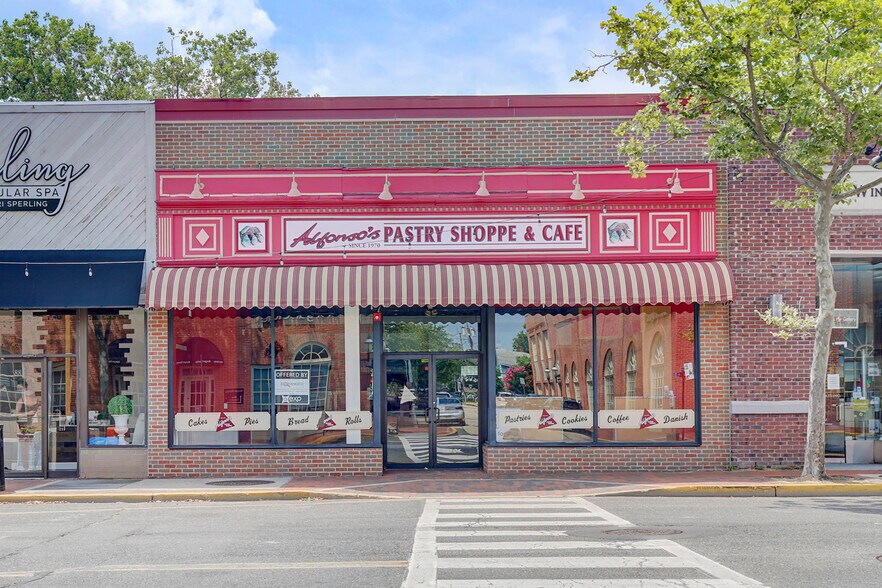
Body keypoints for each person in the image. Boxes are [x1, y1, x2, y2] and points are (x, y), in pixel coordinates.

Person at [14, 383, 41, 471]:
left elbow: (42, 411)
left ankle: (35, 466)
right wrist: (27, 413)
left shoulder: (38, 400)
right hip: (24, 425)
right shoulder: (21, 400)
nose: (30, 390)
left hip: (35, 425)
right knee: (26, 446)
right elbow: (16, 413)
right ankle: (25, 467)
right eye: (29, 388)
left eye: (32, 387)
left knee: (35, 446)